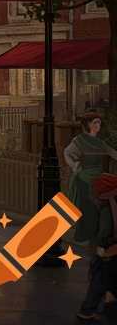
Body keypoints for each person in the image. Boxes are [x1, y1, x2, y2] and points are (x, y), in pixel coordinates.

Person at [67, 111, 117, 250]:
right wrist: (75, 165)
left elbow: (113, 153)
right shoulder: (79, 140)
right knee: (88, 212)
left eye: (99, 123)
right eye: (94, 123)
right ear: (87, 125)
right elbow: (67, 153)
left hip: (98, 178)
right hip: (84, 179)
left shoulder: (100, 143)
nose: (97, 126)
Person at [77, 172, 117, 321]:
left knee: (101, 276)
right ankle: (89, 308)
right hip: (109, 248)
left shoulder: (106, 207)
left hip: (108, 247)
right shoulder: (110, 206)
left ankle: (90, 307)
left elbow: (104, 231)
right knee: (102, 277)